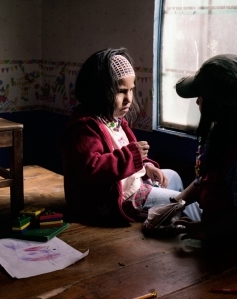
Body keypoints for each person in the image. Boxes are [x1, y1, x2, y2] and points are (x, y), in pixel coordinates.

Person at [59, 48, 198, 226]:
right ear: (98, 91)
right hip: (110, 201)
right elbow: (91, 169)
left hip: (130, 186)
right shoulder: (84, 127)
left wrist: (146, 166)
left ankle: (167, 222)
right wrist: (132, 156)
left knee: (173, 177)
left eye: (131, 90)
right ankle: (202, 241)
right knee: (185, 202)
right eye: (121, 91)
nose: (129, 99)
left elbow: (127, 159)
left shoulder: (114, 121)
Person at [173, 54, 237, 253]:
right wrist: (176, 204)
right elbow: (207, 179)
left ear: (217, 105)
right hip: (223, 235)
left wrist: (207, 231)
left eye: (200, 96)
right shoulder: (224, 135)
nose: (197, 102)